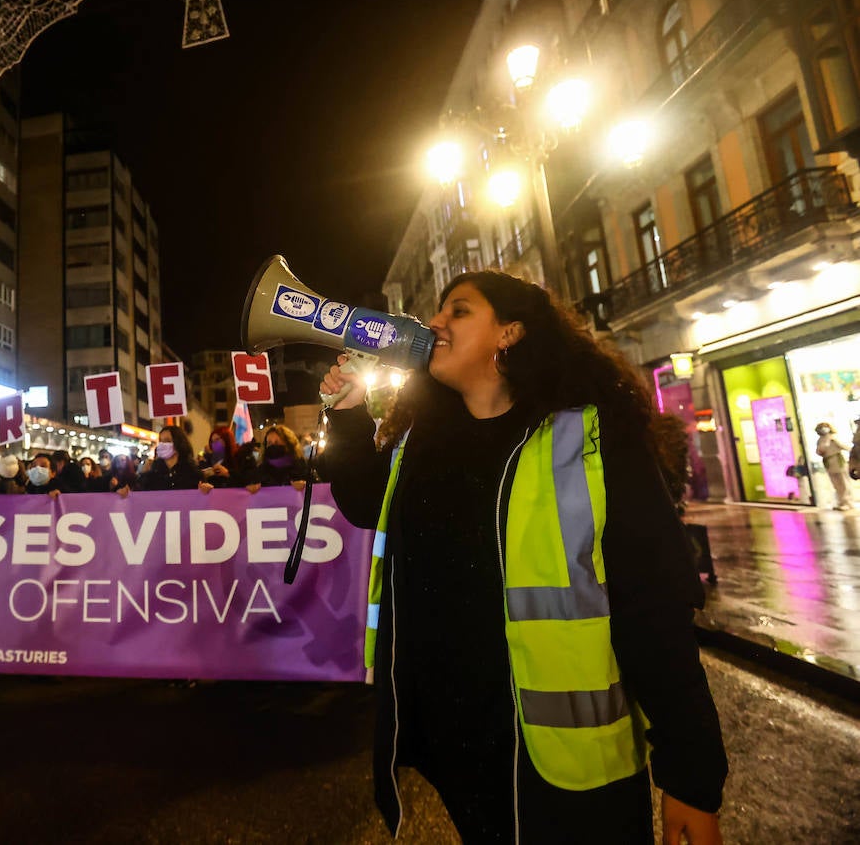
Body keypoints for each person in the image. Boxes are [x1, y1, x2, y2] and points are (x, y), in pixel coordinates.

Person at [316, 271, 726, 844]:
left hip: (572, 778)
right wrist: (347, 417)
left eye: (459, 310)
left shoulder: (589, 437)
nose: (435, 322)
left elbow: (654, 602)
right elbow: (366, 503)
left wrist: (690, 775)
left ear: (510, 332)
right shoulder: (425, 441)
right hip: (463, 753)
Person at [136, 426, 210, 492]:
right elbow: (139, 495)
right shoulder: (152, 474)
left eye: (167, 441)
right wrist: (143, 476)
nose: (162, 444)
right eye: (161, 441)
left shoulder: (193, 474)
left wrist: (205, 490)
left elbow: (202, 499)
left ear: (178, 443)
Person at [241, 424, 309, 493]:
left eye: (277, 442)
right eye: (269, 443)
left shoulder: (302, 469)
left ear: (289, 444)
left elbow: (314, 490)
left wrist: (305, 486)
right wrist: (249, 488)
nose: (273, 446)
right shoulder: (259, 473)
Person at [815, 422, 853, 511]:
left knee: (844, 483)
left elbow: (845, 446)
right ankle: (841, 502)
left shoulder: (834, 437)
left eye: (824, 427)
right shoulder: (820, 440)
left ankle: (848, 503)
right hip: (828, 463)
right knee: (836, 484)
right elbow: (819, 451)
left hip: (838, 461)